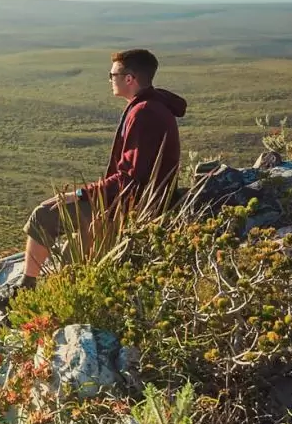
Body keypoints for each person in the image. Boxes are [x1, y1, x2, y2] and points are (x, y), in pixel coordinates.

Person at [22, 49, 187, 283]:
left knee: (44, 215)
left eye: (113, 75)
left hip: (133, 208)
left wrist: (79, 194)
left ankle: (26, 288)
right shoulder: (150, 106)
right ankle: (35, 288)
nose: (110, 80)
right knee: (70, 245)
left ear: (129, 78)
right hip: (132, 202)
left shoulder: (145, 113)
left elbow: (130, 178)